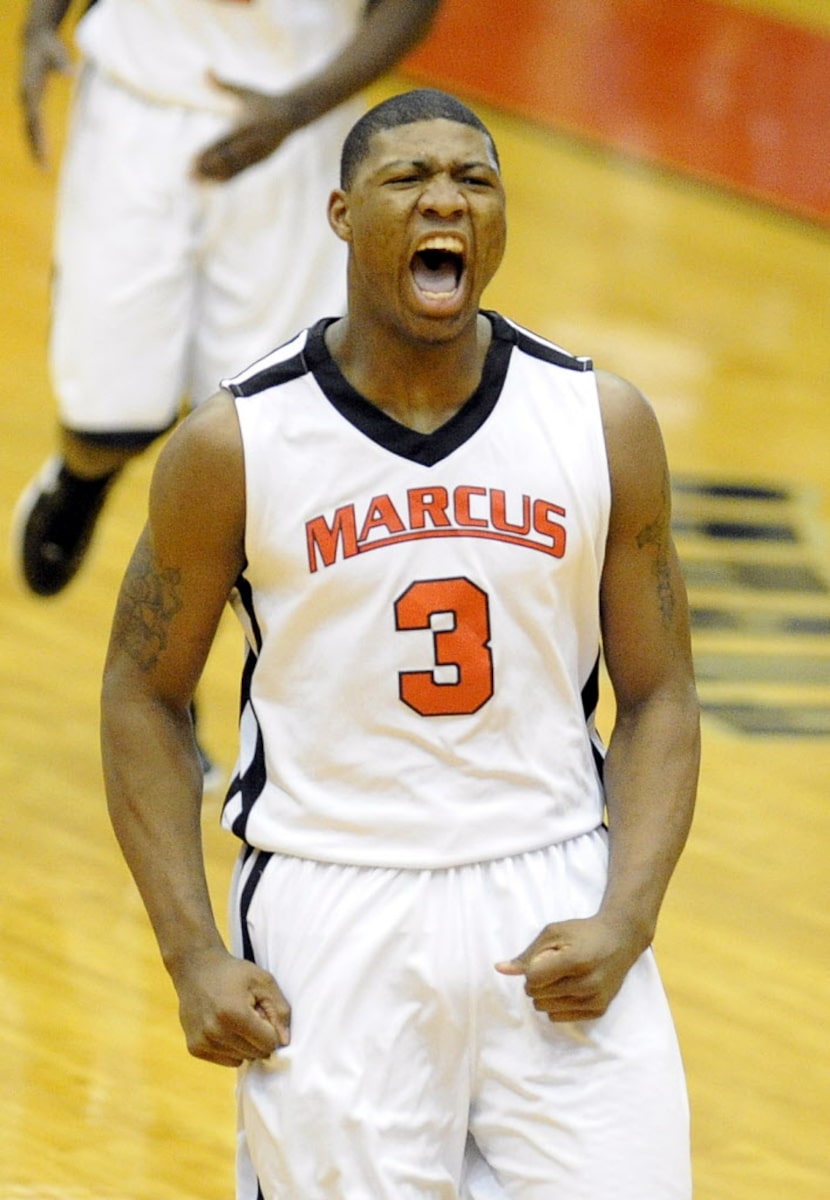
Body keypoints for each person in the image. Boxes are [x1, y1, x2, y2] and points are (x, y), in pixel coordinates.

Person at [101, 88, 701, 1199]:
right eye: (409, 180)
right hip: (334, 904)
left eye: (474, 182)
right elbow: (140, 693)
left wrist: (627, 913)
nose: (446, 203)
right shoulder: (235, 444)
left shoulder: (597, 423)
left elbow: (658, 693)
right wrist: (191, 951)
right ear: (339, 213)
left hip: (553, 884)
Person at [13, 0, 442, 598]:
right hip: (139, 95)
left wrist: (296, 110)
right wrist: (38, 25)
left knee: (259, 448)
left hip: (302, 117)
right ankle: (83, 476)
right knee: (108, 416)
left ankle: (170, 672)